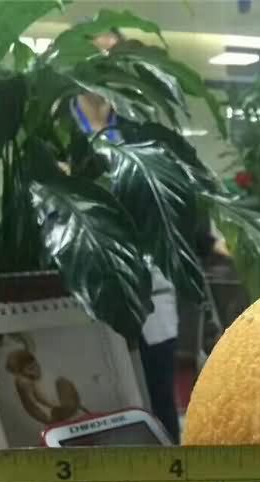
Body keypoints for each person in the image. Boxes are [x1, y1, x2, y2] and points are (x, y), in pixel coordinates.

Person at [69, 28, 182, 442]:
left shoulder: (138, 127)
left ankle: (173, 475)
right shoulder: (56, 126)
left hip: (152, 281)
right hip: (92, 280)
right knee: (107, 397)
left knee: (160, 392)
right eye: (97, 57)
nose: (106, 68)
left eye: (114, 58)